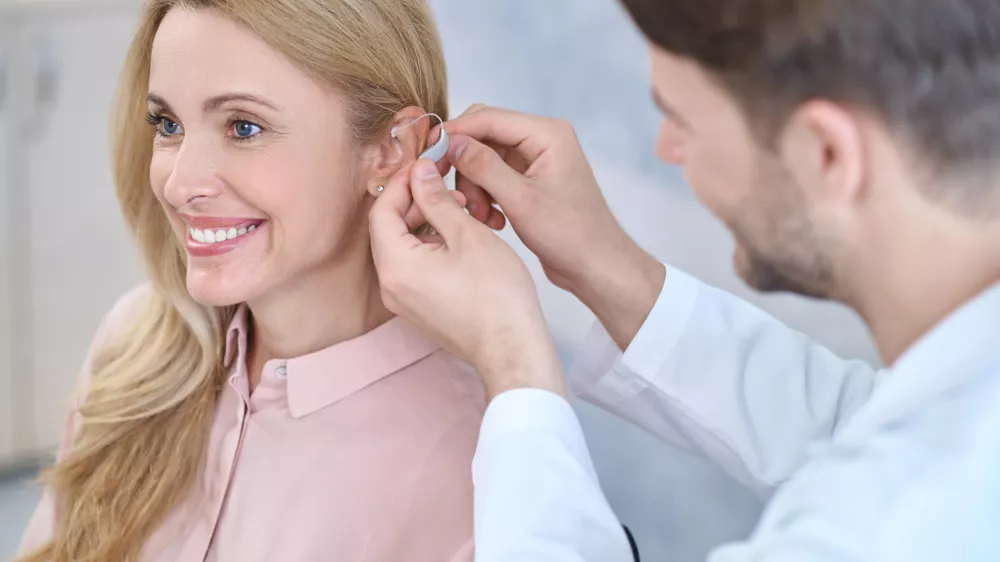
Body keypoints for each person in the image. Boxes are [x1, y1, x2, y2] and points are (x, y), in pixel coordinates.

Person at [368, 0, 1000, 560]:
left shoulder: (883, 532)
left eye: (682, 121)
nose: (668, 149)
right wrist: (611, 269)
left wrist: (514, 362)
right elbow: (852, 421)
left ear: (827, 154)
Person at [17, 1, 483, 561]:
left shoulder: (467, 453)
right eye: (168, 125)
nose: (179, 183)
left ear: (389, 150)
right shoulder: (133, 347)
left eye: (243, 127)